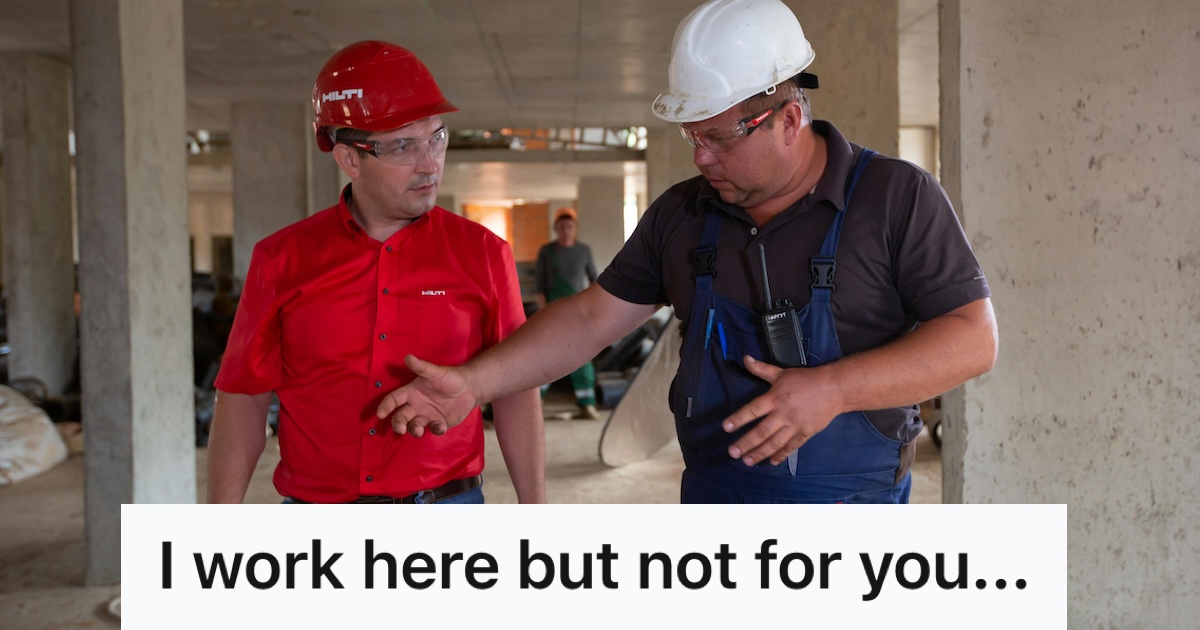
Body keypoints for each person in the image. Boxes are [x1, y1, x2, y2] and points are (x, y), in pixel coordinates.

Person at [377, 0, 998, 504]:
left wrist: (834, 388)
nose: (700, 157)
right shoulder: (683, 213)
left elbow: (973, 338)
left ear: (788, 118)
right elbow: (592, 319)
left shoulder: (894, 197)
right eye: (692, 135)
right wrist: (473, 382)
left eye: (718, 138)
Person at [206, 40, 545, 504]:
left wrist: (537, 513)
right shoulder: (281, 260)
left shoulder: (483, 254)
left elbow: (515, 387)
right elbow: (244, 395)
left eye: (437, 137)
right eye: (404, 145)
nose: (430, 163)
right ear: (349, 158)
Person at [534, 207, 600, 419]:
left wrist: (594, 309)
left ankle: (586, 403)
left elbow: (595, 280)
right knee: (545, 355)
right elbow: (539, 286)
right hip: (553, 311)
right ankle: (536, 403)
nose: (565, 230)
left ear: (575, 229)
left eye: (569, 227)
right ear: (556, 229)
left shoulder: (584, 251)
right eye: (561, 227)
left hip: (578, 312)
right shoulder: (547, 252)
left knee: (582, 356)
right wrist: (543, 313)